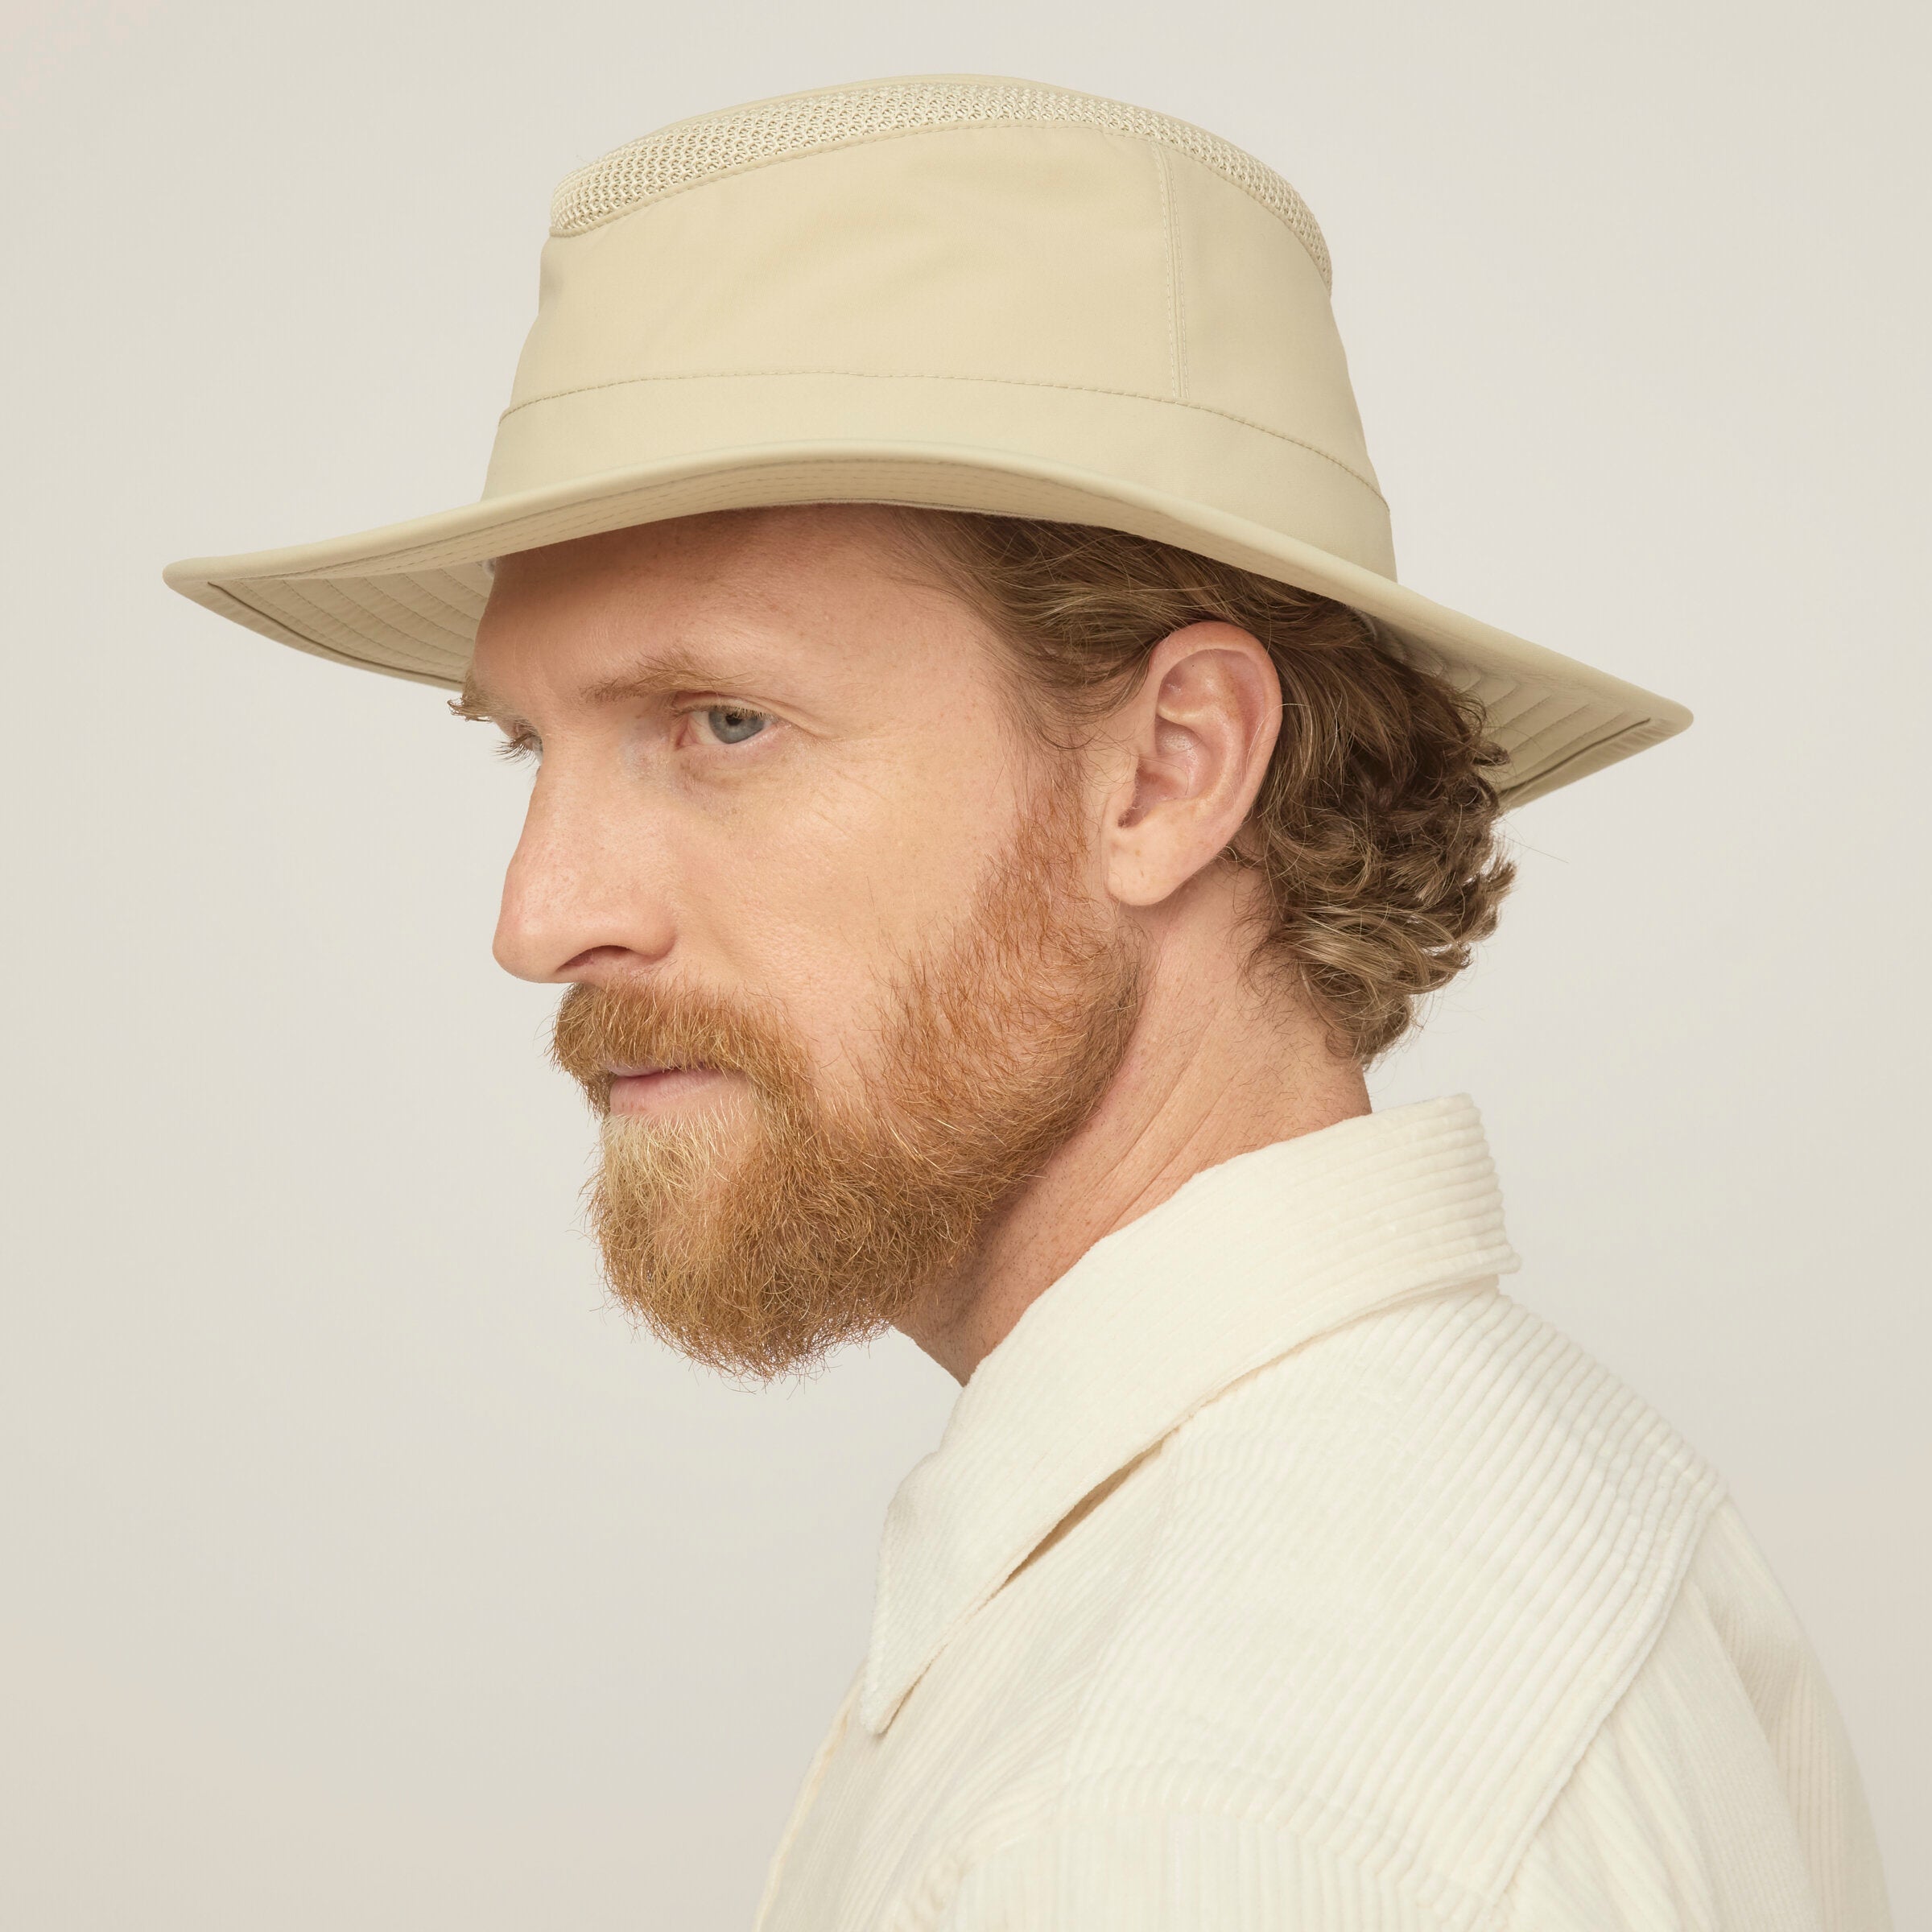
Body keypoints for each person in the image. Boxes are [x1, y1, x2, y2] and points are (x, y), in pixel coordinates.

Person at [165, 74, 1890, 1932]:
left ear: (1168, 769)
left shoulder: (1180, 1817)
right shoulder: (1525, 1503)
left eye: (721, 722)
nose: (540, 917)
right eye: (531, 745)